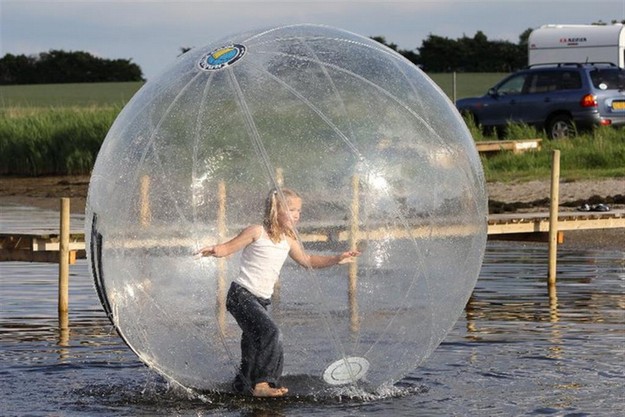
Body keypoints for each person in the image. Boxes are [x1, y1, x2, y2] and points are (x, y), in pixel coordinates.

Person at [196, 187, 360, 397]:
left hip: (261, 301)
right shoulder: (257, 231)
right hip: (241, 295)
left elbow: (307, 260)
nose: (297, 215)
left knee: (254, 345)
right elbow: (229, 247)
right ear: (275, 209)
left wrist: (336, 259)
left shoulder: (288, 239)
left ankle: (243, 384)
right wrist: (215, 250)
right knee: (272, 333)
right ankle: (264, 384)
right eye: (291, 210)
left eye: (299, 211)